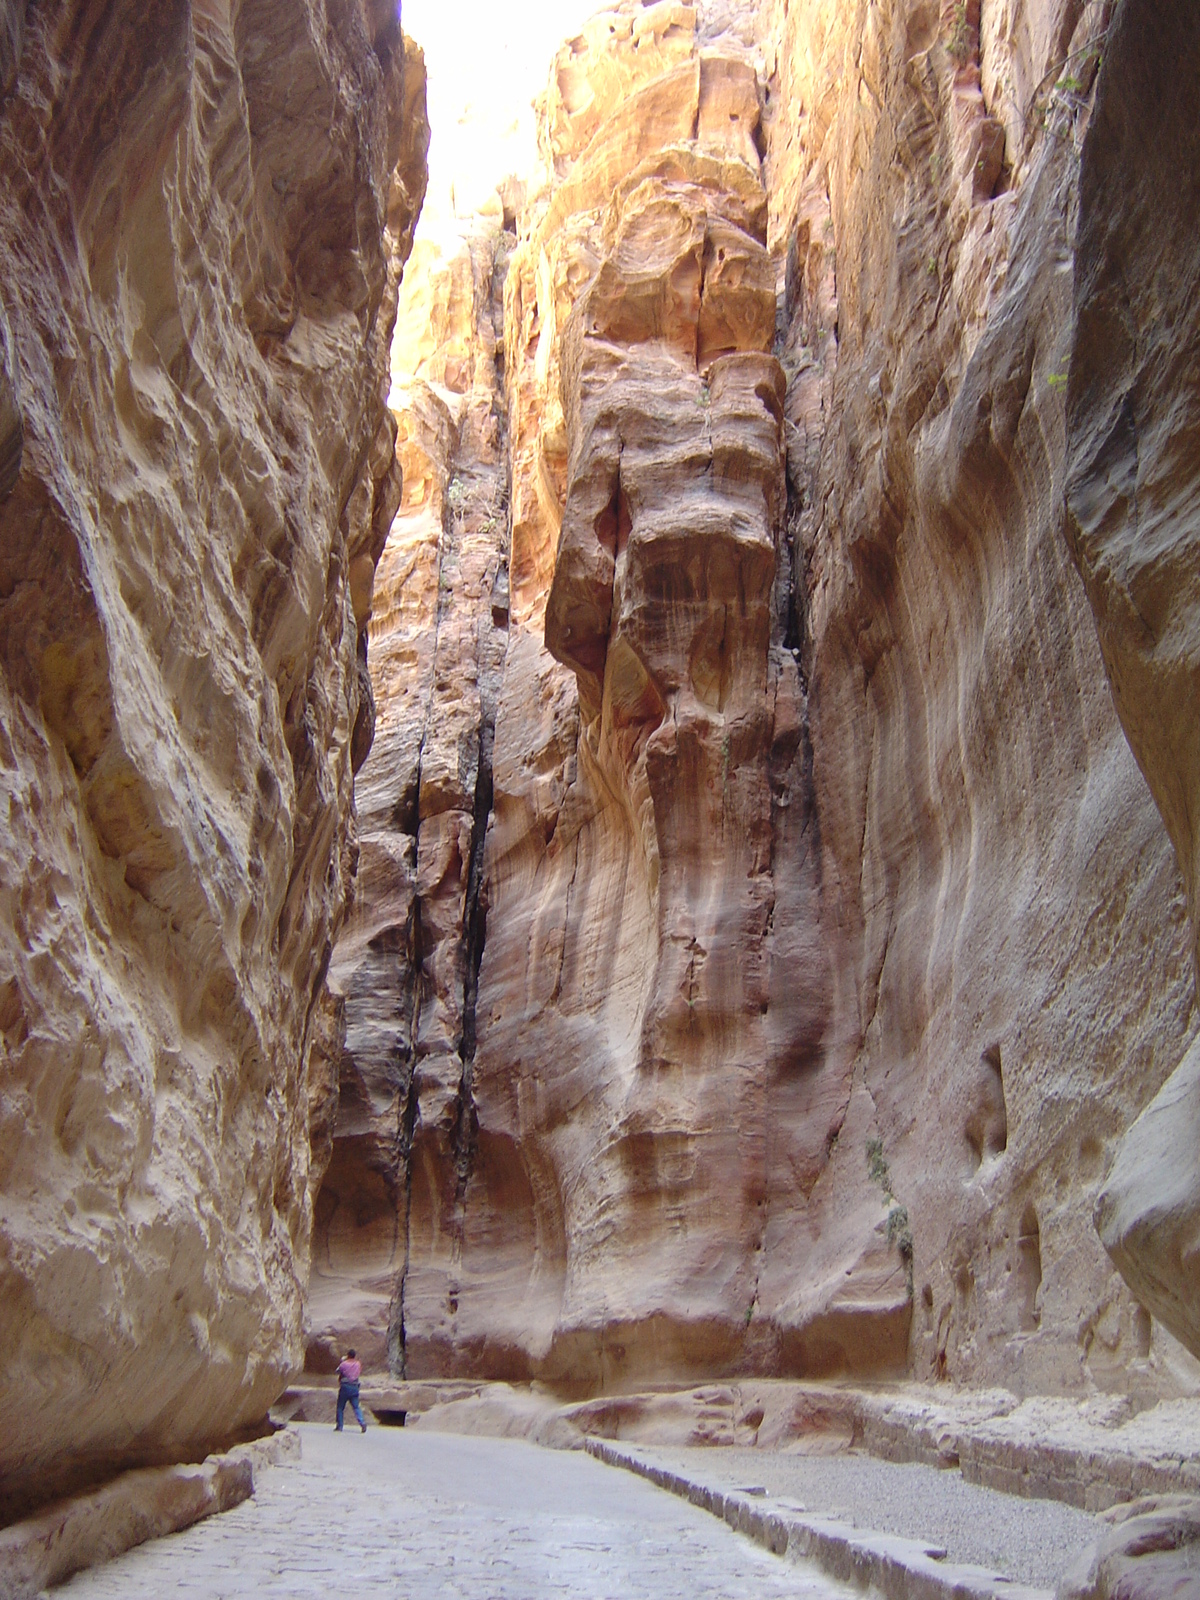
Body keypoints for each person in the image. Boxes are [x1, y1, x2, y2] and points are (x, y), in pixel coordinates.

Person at [335, 1348, 367, 1432]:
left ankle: (340, 1426)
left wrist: (343, 1361)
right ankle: (362, 1422)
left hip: (345, 1387)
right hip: (355, 1387)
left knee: (340, 1407)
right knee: (356, 1407)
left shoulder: (344, 1364)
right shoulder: (358, 1364)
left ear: (348, 1355)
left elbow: (337, 1371)